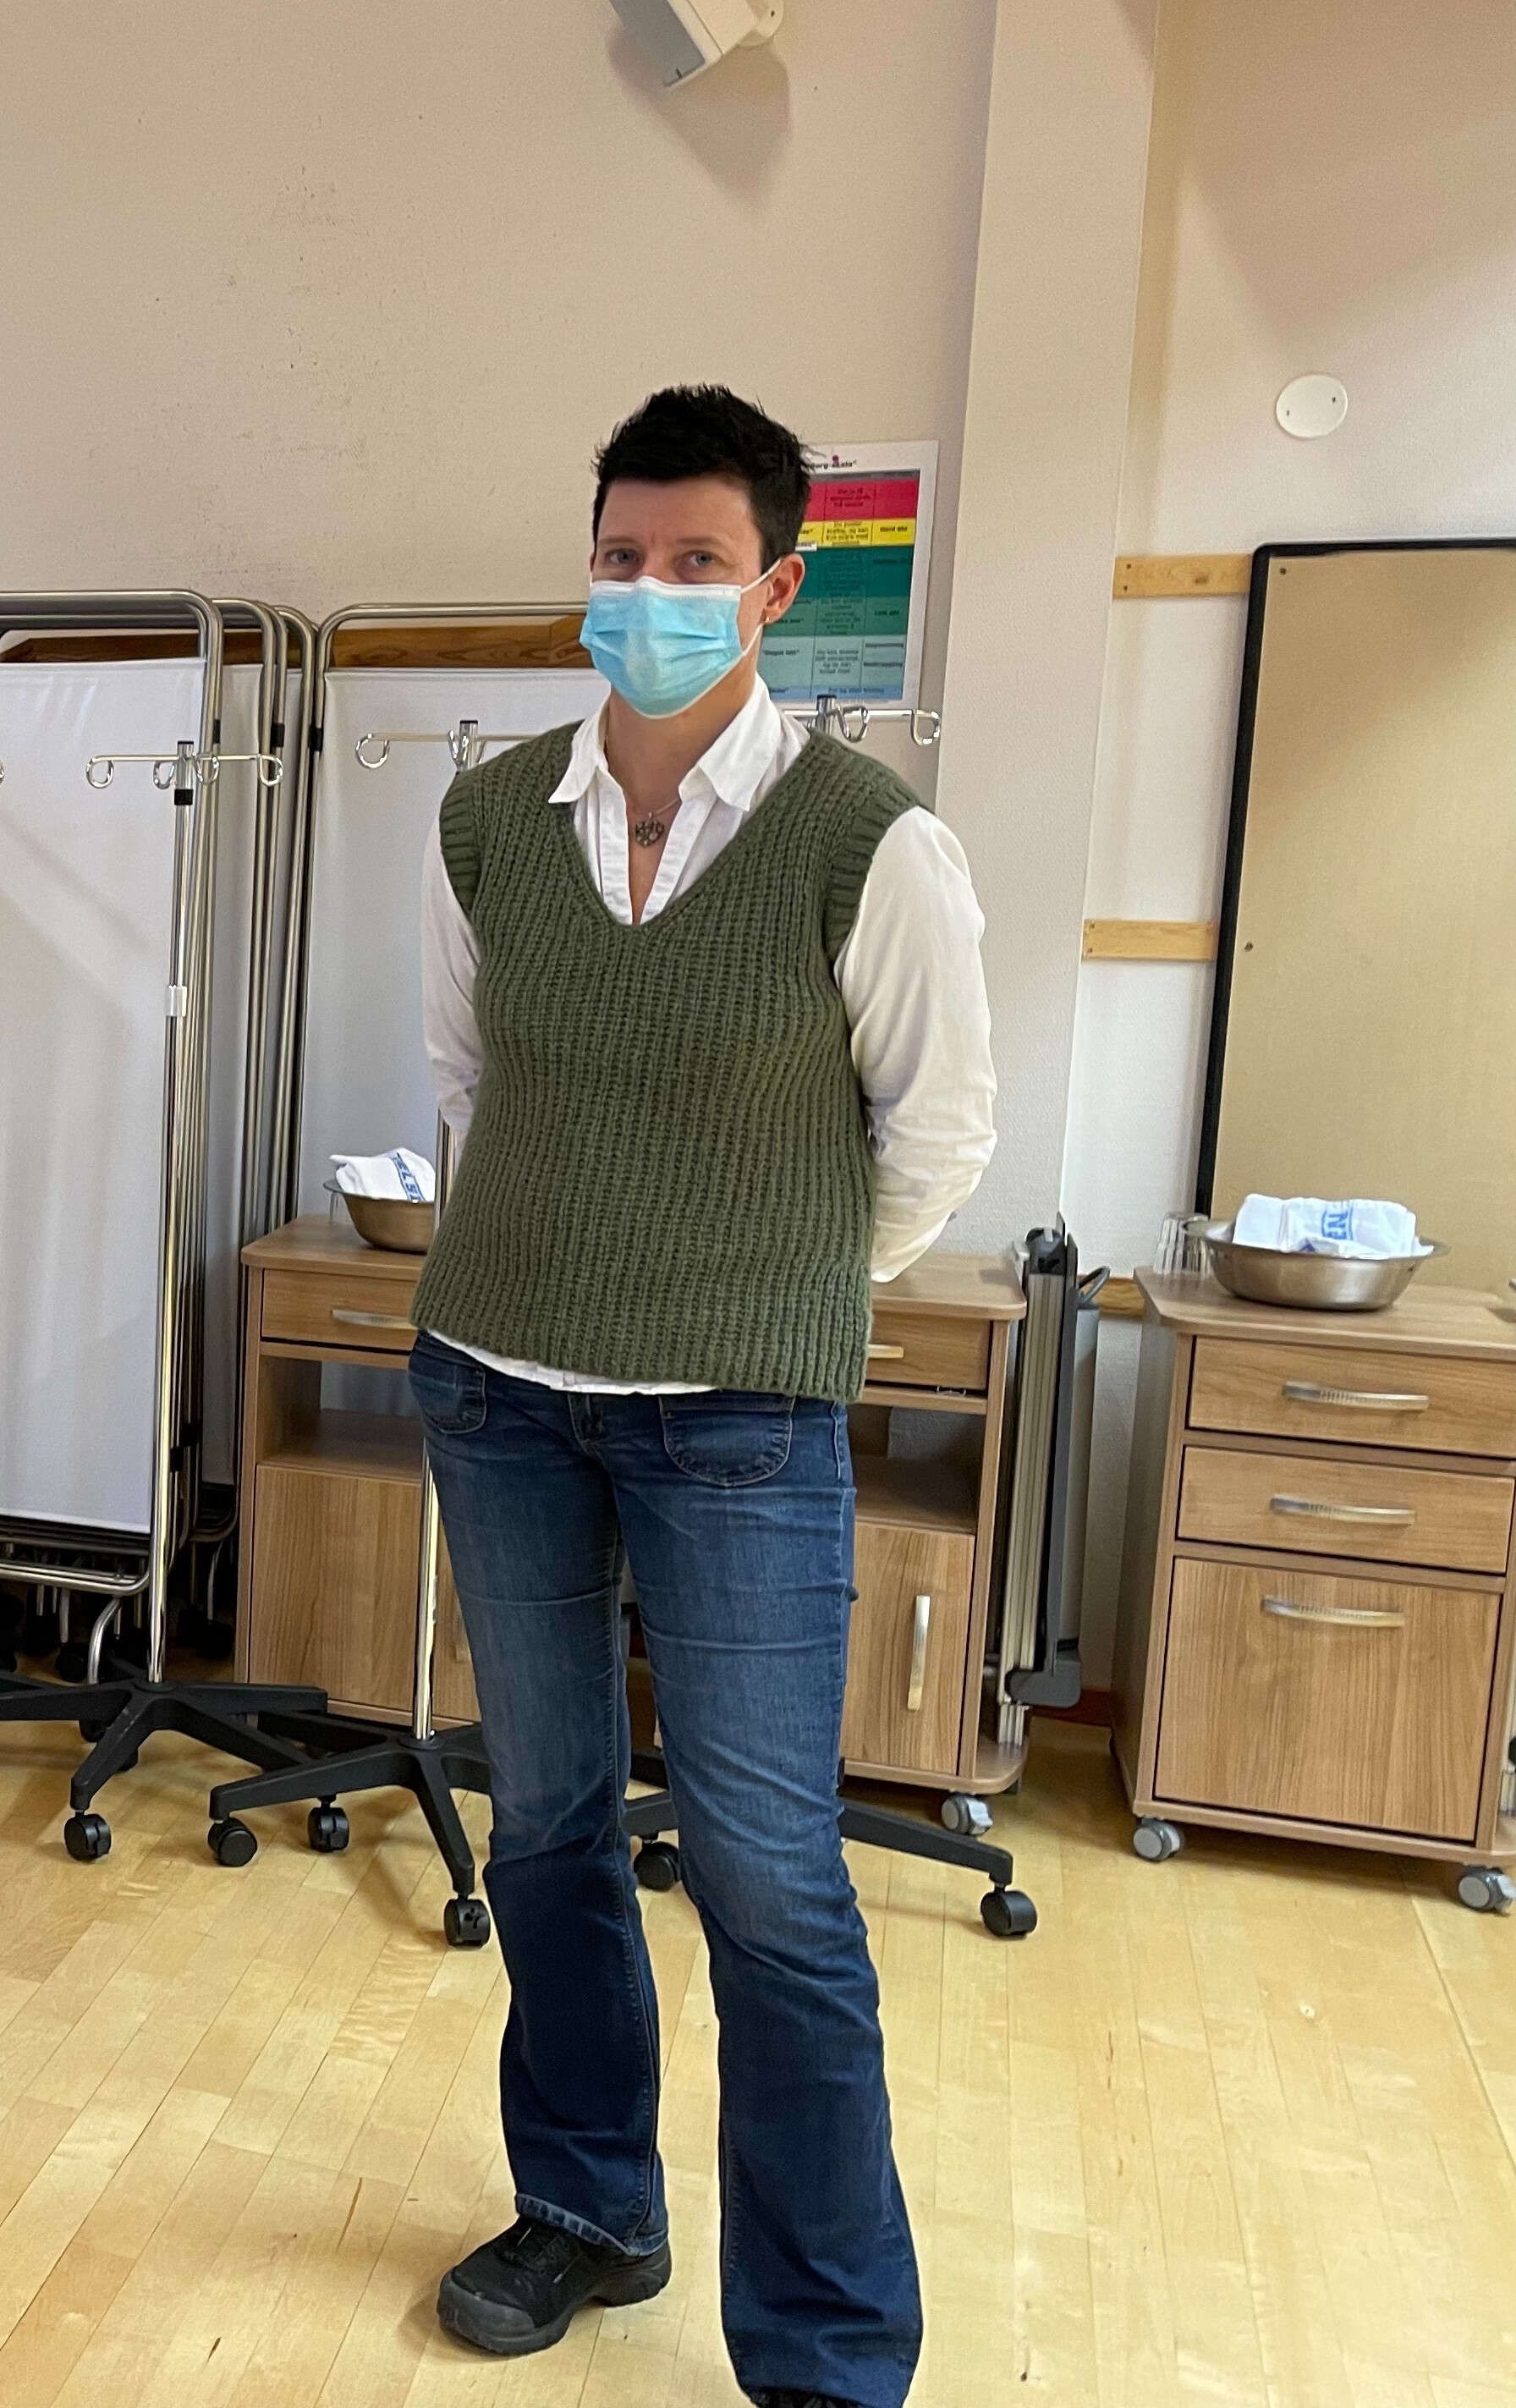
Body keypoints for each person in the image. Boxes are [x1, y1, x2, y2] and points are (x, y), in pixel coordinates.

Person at [405, 386, 996, 2408]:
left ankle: (826, 2344)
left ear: (775, 587)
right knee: (550, 1827)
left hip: (737, 1422)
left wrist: (760, 1286)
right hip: (499, 1390)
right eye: (620, 556)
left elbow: (936, 1136)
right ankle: (588, 2206)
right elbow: (469, 1081)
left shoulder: (866, 841)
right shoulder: (492, 818)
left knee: (767, 1877)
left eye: (694, 562)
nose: (649, 593)